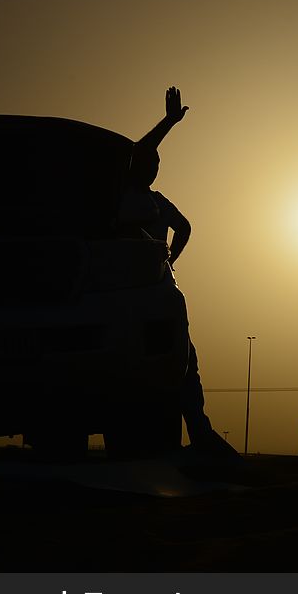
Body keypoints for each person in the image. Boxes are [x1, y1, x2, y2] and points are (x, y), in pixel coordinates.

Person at [122, 87, 238, 459]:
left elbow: (186, 227)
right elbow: (139, 150)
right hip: (125, 294)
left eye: (156, 165)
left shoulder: (157, 202)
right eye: (149, 164)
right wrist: (169, 122)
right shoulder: (123, 196)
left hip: (157, 292)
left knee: (186, 364)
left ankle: (199, 434)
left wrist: (171, 259)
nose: (152, 167)